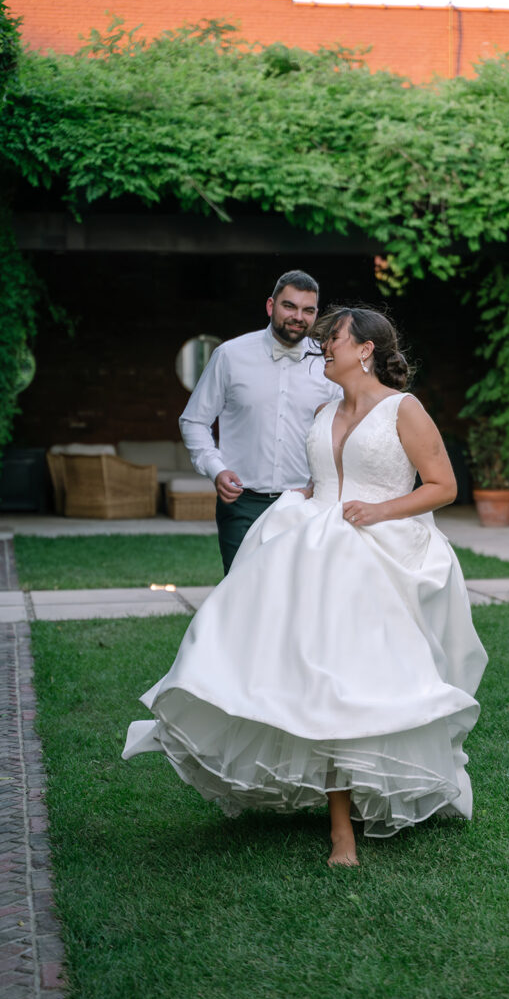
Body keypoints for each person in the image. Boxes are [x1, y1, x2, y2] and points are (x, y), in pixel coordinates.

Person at [123, 307, 487, 867]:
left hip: (379, 550)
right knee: (309, 674)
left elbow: (443, 486)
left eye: (333, 338)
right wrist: (304, 496)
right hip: (313, 547)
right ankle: (340, 823)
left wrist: (378, 510)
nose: (323, 348)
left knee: (360, 681)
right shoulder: (324, 410)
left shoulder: (403, 409)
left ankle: (357, 805)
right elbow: (324, 482)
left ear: (365, 349)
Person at [179, 269, 341, 574]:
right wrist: (216, 469)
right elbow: (194, 421)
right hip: (242, 503)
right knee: (240, 596)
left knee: (299, 595)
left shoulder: (328, 364)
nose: (298, 317)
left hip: (306, 505)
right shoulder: (229, 355)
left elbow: (343, 431)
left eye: (308, 310)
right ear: (271, 306)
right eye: (289, 306)